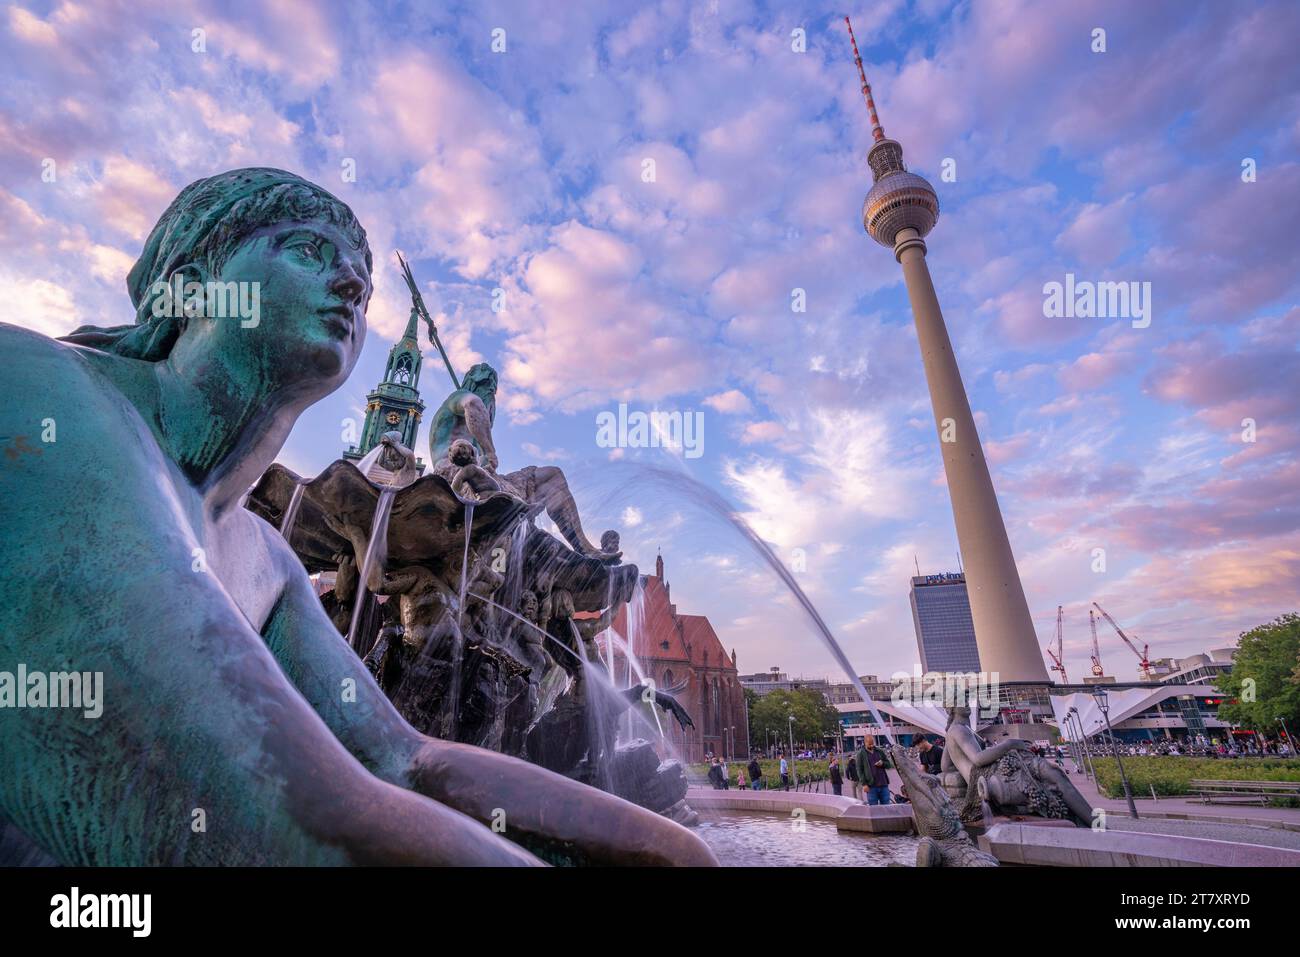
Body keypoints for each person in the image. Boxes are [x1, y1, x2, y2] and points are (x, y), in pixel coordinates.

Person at [0, 168, 715, 868]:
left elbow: (405, 759)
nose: (348, 283)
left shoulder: (262, 558)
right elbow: (303, 820)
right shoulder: (47, 399)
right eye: (307, 252)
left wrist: (672, 850)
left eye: (362, 281)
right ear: (186, 286)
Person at [854, 735, 892, 805]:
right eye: (869, 744)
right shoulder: (860, 754)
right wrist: (864, 784)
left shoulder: (879, 751)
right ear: (865, 742)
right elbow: (859, 770)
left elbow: (888, 764)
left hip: (883, 784)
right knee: (874, 809)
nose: (871, 746)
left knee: (887, 807)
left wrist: (882, 763)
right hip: (871, 786)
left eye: (872, 743)